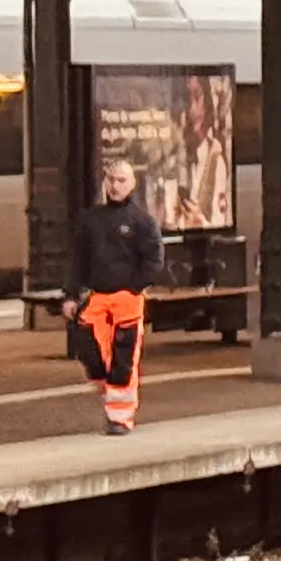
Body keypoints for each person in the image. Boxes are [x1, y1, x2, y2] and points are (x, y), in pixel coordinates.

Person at [67, 156, 164, 435]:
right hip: (98, 297)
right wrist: (71, 294)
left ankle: (120, 418)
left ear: (132, 184)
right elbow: (79, 260)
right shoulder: (90, 220)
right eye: (111, 179)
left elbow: (153, 259)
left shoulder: (141, 222)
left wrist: (134, 287)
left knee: (123, 359)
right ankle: (110, 395)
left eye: (121, 180)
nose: (115, 185)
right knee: (88, 349)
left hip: (128, 300)